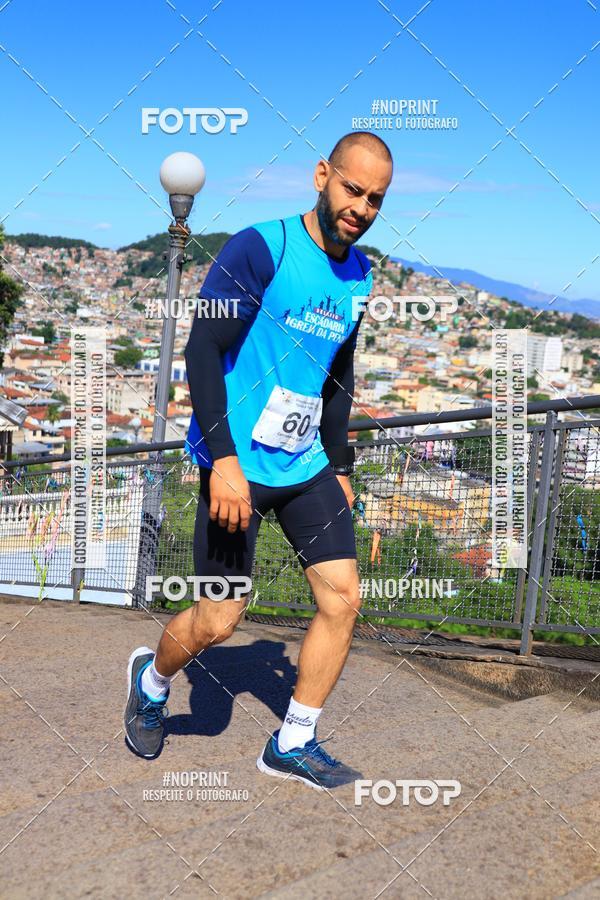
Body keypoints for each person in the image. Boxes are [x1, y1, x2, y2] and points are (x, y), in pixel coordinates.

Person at [125, 131, 393, 790]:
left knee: (342, 599)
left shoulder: (360, 273)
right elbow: (200, 348)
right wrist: (222, 460)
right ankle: (152, 680)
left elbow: (338, 373)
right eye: (352, 188)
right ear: (322, 175)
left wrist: (342, 463)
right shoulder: (261, 246)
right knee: (219, 619)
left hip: (303, 467)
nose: (361, 206)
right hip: (237, 465)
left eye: (375, 199)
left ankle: (292, 740)